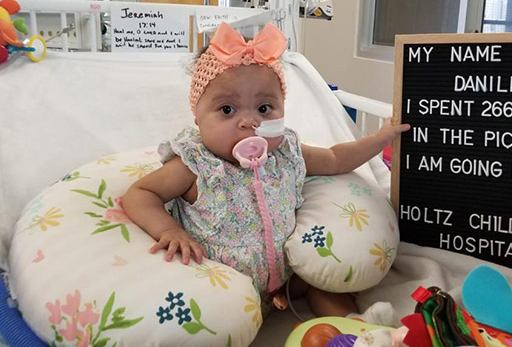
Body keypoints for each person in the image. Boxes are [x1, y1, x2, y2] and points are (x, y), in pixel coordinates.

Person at [122, 22, 410, 325]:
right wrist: (169, 231)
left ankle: (361, 331)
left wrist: (381, 138)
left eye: (264, 108)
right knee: (223, 320)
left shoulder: (286, 152)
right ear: (197, 114)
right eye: (227, 110)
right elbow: (141, 194)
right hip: (222, 285)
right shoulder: (194, 164)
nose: (250, 122)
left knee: (325, 286)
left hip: (288, 280)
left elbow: (336, 158)